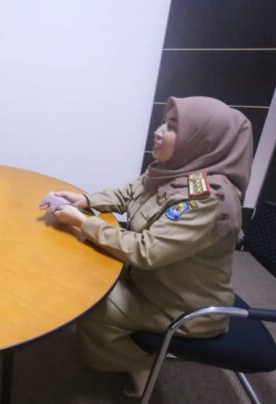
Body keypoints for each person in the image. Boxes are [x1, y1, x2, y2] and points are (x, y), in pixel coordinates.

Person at [50, 96, 253, 397]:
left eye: (173, 127)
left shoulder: (208, 199)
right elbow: (130, 192)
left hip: (182, 306)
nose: (159, 132)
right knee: (85, 271)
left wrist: (83, 222)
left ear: (202, 140)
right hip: (153, 282)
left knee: (90, 306)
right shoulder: (174, 171)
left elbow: (146, 250)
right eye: (164, 122)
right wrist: (86, 200)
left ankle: (142, 364)